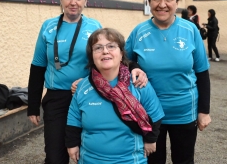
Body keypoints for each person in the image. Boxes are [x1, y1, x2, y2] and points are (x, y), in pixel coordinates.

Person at [27, 0, 147, 164]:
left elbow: (111, 56)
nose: (73, 2)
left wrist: (136, 68)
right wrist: (32, 105)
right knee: (55, 155)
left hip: (89, 95)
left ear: (85, 0)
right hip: (57, 98)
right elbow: (37, 66)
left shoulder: (93, 27)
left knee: (88, 151)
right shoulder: (48, 27)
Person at [125, 0, 212, 164]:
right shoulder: (139, 32)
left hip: (184, 112)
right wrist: (136, 67)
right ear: (149, 2)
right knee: (154, 161)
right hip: (149, 113)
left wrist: (204, 111)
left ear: (177, 2)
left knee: (184, 160)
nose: (162, 4)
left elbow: (202, 73)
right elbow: (124, 61)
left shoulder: (190, 30)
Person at [65, 28, 165, 164]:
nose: (105, 51)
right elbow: (73, 119)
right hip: (90, 159)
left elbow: (155, 113)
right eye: (98, 48)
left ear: (122, 53)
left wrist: (151, 139)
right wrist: (72, 144)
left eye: (111, 46)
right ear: (92, 56)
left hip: (130, 160)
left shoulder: (138, 83)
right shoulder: (82, 87)